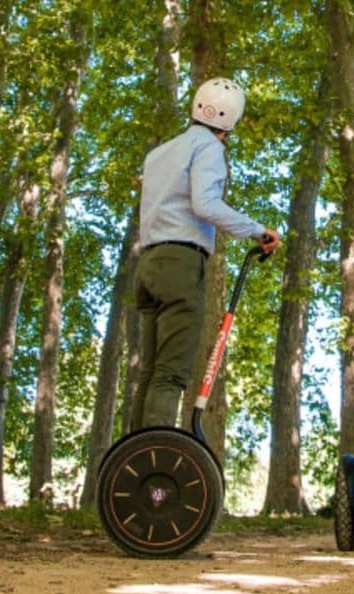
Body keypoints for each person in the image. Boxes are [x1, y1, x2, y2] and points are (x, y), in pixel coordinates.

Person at [131, 77, 281, 431]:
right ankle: (157, 478)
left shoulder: (159, 154)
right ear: (232, 120)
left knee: (150, 373)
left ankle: (132, 466)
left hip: (149, 264)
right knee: (170, 374)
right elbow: (205, 204)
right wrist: (258, 230)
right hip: (181, 265)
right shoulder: (210, 149)